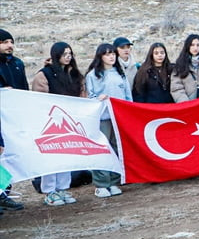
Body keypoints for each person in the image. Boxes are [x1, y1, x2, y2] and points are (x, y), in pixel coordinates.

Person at [30, 42, 85, 205]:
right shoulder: (44, 74)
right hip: (52, 120)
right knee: (52, 156)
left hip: (70, 120)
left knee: (67, 155)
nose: (68, 57)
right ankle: (49, 190)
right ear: (56, 55)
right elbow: (40, 98)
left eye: (70, 54)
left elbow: (82, 94)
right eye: (64, 54)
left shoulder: (74, 74)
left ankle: (63, 188)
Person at [84, 43, 131, 198]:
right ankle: (101, 183)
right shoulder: (93, 75)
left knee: (117, 148)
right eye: (107, 54)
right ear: (100, 56)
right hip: (102, 118)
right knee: (103, 148)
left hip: (119, 117)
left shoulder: (120, 73)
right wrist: (98, 99)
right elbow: (89, 97)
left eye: (113, 54)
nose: (111, 57)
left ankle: (114, 180)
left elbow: (127, 95)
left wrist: (130, 110)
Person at [0, 28, 28, 212]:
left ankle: (5, 193)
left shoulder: (17, 63)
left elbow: (24, 87)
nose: (9, 45)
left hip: (14, 116)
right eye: (4, 42)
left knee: (9, 154)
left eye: (11, 42)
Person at [170, 34, 199, 102]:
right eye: (192, 45)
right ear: (187, 46)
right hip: (187, 107)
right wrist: (186, 104)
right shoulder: (179, 66)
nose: (195, 48)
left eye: (198, 45)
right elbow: (177, 88)